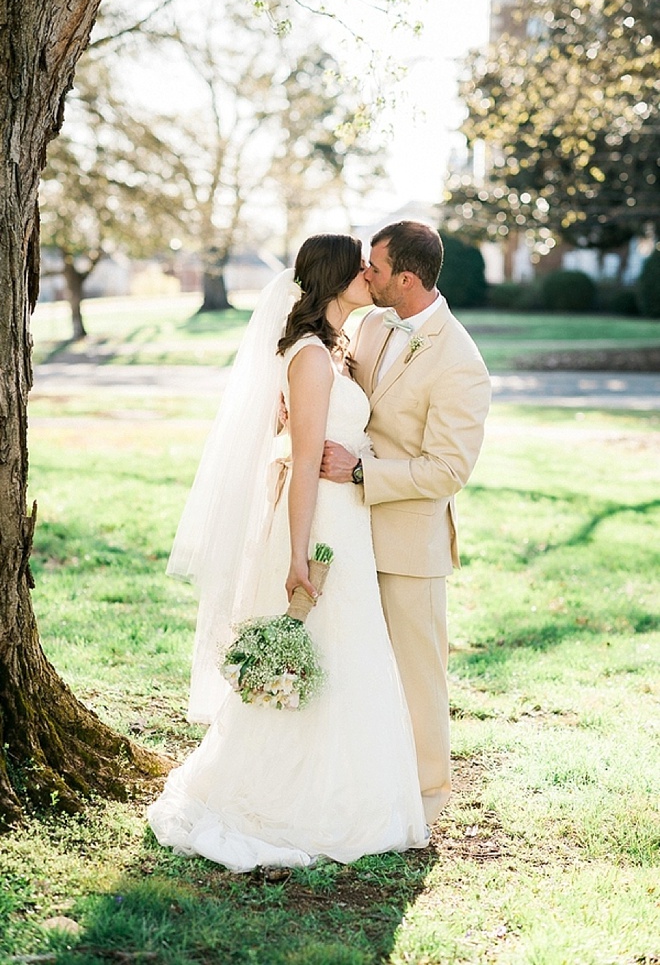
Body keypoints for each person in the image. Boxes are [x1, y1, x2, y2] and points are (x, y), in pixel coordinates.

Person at [147, 234, 429, 872]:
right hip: (321, 524)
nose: (367, 273)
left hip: (348, 521)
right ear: (332, 278)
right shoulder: (308, 357)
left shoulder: (334, 350)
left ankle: (354, 791)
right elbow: (304, 462)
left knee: (349, 650)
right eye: (357, 264)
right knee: (326, 642)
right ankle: (288, 798)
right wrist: (297, 557)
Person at [320, 220, 491, 824]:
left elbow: (447, 469)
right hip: (347, 530)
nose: (364, 274)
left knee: (418, 674)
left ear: (408, 279)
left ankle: (426, 799)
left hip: (409, 541)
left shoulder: (459, 361)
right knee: (358, 663)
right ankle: (367, 779)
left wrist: (360, 472)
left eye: (375, 267)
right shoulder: (370, 323)